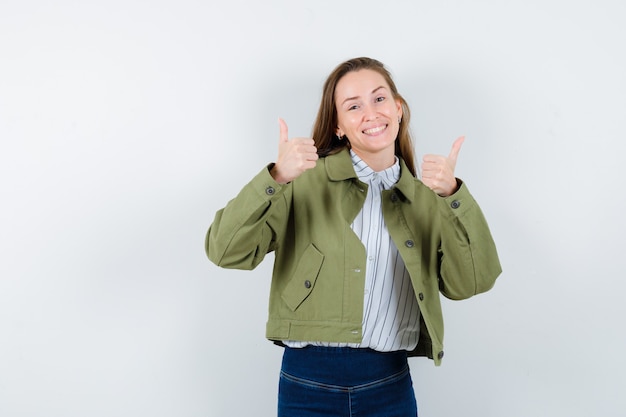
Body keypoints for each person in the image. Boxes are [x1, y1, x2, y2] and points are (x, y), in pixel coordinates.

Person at [206, 57, 502, 417]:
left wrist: (455, 196)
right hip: (307, 382)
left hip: (389, 383)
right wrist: (277, 177)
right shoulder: (301, 182)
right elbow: (224, 250)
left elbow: (470, 282)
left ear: (398, 108)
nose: (370, 113)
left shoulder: (429, 197)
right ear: (339, 126)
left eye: (379, 99)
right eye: (353, 106)